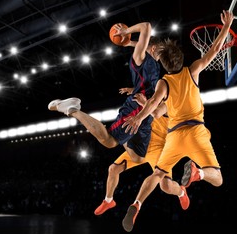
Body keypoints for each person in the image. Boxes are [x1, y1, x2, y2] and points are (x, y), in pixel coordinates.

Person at [121, 10, 234, 232]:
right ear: (181, 59)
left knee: (158, 176)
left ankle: (137, 203)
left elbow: (155, 104)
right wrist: (226, 27)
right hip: (196, 132)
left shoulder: (164, 83)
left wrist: (139, 116)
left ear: (163, 63)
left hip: (174, 135)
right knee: (218, 178)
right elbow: (213, 50)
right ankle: (198, 174)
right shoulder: (193, 70)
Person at [48, 22, 162, 165]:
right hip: (136, 109)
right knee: (109, 141)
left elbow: (147, 86)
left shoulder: (153, 64)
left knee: (138, 158)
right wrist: (127, 31)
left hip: (147, 112)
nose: (163, 53)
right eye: (161, 49)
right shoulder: (141, 58)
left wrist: (129, 43)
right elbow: (146, 26)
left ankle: (123, 137)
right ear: (153, 47)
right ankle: (72, 110)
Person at [94, 92, 190, 215]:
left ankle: (181, 192)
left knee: (165, 185)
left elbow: (156, 113)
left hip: (158, 149)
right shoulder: (155, 95)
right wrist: (134, 89)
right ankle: (108, 200)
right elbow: (147, 91)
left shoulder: (170, 104)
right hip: (142, 145)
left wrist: (144, 102)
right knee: (113, 169)